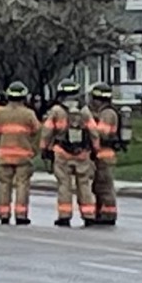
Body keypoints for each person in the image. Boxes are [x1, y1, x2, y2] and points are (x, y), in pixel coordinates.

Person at [0, 83, 42, 224]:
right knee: (22, 184)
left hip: (4, 155)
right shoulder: (28, 114)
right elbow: (37, 131)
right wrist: (33, 148)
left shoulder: (1, 113)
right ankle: (21, 215)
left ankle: (4, 215)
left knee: (4, 185)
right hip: (23, 155)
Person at [45, 89, 91, 228]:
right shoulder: (84, 111)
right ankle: (89, 215)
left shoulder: (56, 111)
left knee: (64, 185)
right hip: (82, 154)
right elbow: (93, 131)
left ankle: (64, 216)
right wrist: (94, 148)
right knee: (84, 184)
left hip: (62, 153)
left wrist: (45, 148)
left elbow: (47, 131)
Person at [81, 84, 124, 227]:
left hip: (105, 154)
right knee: (98, 187)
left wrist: (90, 123)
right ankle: (101, 212)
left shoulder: (108, 114)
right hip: (100, 154)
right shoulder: (104, 112)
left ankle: (108, 214)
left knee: (105, 186)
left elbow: (102, 133)